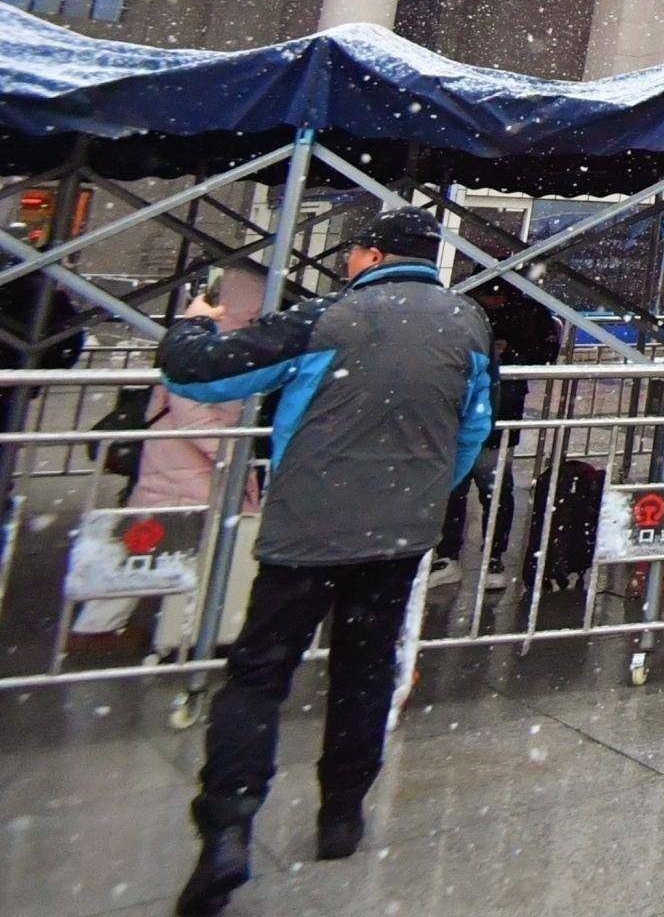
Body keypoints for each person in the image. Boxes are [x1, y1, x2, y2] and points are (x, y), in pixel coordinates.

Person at [161, 208, 491, 915]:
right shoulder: (465, 324)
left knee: (258, 675)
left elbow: (201, 376)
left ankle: (228, 824)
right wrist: (426, 492)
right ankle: (342, 810)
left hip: (307, 529)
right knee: (365, 667)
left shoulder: (327, 318)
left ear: (370, 254)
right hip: (399, 531)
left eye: (353, 252)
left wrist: (192, 323)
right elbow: (472, 428)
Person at [74, 263, 266, 644]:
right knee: (178, 539)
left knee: (154, 539)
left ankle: (115, 624)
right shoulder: (217, 343)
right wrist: (229, 447)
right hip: (194, 462)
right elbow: (190, 409)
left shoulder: (207, 336)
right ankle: (185, 628)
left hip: (182, 461)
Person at [436, 276, 557, 588]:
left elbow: (543, 352)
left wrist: (510, 354)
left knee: (484, 486)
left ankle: (476, 555)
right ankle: (467, 555)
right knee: (480, 487)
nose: (495, 302)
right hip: (488, 408)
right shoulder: (524, 311)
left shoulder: (462, 308)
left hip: (486, 409)